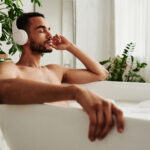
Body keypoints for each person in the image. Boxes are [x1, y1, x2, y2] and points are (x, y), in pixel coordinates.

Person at [0, 12, 124, 141]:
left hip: (71, 134)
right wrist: (75, 92)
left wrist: (70, 47)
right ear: (22, 37)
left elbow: (101, 74)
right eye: (42, 30)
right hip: (42, 137)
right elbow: (2, 88)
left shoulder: (55, 70)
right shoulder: (10, 68)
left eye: (49, 30)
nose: (50, 35)